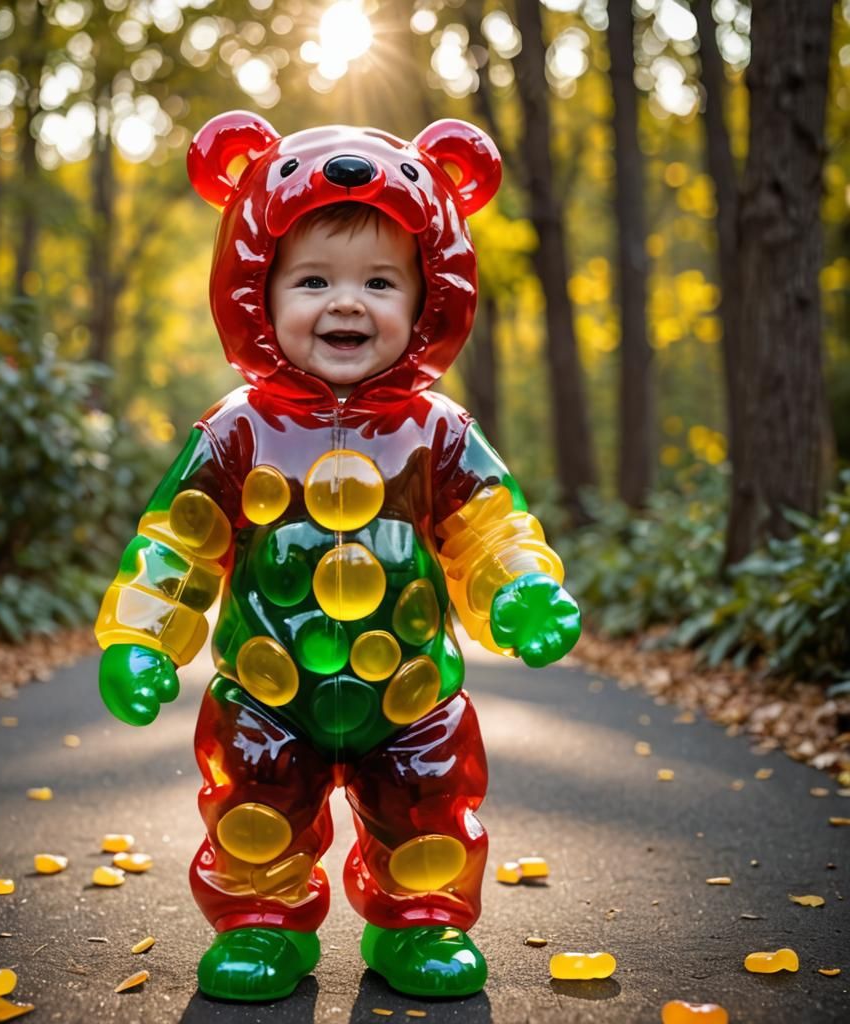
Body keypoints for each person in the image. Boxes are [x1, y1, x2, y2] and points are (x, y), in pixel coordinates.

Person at [95, 111, 581, 1002]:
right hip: (266, 692)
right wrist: (143, 637)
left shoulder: (440, 431)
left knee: (427, 804)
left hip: (415, 695)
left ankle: (420, 920)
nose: (347, 302)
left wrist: (521, 590)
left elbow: (490, 528)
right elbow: (177, 540)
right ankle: (260, 923)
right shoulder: (238, 429)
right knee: (253, 809)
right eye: (313, 278)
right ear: (258, 292)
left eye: (381, 282)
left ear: (430, 295)